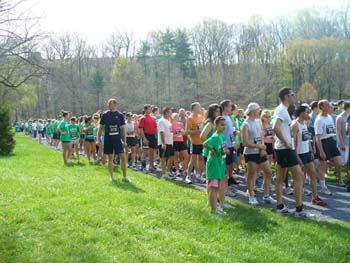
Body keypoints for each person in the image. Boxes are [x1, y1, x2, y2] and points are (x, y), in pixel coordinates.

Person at [273, 87, 312, 218]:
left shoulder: (283, 110)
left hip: (283, 148)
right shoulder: (281, 110)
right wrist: (285, 142)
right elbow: (275, 128)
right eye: (292, 94)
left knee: (280, 178)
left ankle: (279, 206)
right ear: (286, 96)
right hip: (285, 149)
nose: (294, 96)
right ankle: (299, 209)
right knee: (299, 176)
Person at [291, 105, 327, 206]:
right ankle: (298, 201)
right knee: (299, 178)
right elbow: (293, 141)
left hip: (306, 153)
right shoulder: (295, 124)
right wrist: (296, 156)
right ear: (302, 113)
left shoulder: (304, 124)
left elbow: (306, 139)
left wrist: (311, 151)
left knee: (313, 174)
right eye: (307, 112)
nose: (309, 114)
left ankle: (315, 197)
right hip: (298, 153)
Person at [242, 103, 276, 205]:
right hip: (250, 153)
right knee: (252, 174)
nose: (259, 112)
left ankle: (266, 195)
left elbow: (260, 136)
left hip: (260, 152)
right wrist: (259, 147)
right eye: (258, 110)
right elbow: (245, 142)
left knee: (268, 172)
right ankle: (251, 196)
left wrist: (262, 148)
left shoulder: (258, 122)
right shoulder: (245, 124)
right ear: (252, 111)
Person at [315, 100, 345, 190]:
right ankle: (323, 185)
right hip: (323, 142)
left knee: (339, 162)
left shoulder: (329, 117)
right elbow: (317, 137)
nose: (329, 106)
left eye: (329, 105)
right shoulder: (319, 120)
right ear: (322, 107)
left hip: (331, 141)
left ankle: (319, 170)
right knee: (323, 164)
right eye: (327, 105)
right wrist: (321, 151)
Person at [97, 98, 129, 182]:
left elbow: (123, 129)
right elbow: (100, 127)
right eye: (108, 103)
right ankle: (111, 177)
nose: (108, 105)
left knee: (123, 156)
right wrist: (98, 139)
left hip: (117, 138)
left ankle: (125, 177)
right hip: (108, 138)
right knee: (110, 158)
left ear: (115, 104)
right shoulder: (105, 114)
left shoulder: (120, 115)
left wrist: (125, 140)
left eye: (110, 103)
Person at [203, 116, 229, 215]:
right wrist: (212, 150)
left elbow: (224, 147)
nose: (224, 127)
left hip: (220, 164)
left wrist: (226, 150)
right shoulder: (215, 136)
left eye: (225, 125)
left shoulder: (222, 136)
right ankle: (214, 209)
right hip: (214, 164)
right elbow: (205, 143)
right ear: (216, 126)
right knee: (213, 187)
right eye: (221, 125)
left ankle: (215, 206)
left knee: (217, 187)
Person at [185, 102, 205, 184]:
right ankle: (188, 176)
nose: (200, 108)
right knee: (193, 159)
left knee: (200, 158)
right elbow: (187, 131)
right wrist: (197, 131)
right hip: (194, 142)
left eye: (200, 106)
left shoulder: (201, 117)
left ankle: (198, 175)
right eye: (198, 107)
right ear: (193, 109)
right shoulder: (190, 118)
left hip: (201, 141)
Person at [139, 104, 158, 173]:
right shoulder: (142, 118)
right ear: (145, 110)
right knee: (145, 152)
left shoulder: (153, 118)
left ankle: (151, 166)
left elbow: (155, 128)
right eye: (149, 109)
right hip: (146, 135)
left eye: (151, 109)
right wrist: (144, 138)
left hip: (153, 136)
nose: (150, 110)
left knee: (152, 152)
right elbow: (141, 129)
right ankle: (143, 167)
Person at [336, 101, 350, 187]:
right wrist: (341, 143)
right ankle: (340, 179)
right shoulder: (340, 117)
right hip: (343, 143)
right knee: (340, 162)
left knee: (348, 163)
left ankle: (348, 180)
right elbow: (338, 131)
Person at [158, 107, 174, 178]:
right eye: (170, 112)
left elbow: (171, 131)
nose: (171, 114)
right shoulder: (161, 121)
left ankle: (168, 171)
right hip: (164, 142)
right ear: (166, 113)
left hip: (170, 142)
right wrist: (163, 143)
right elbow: (161, 132)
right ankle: (164, 174)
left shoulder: (168, 121)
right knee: (163, 158)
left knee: (171, 156)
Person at [172, 112, 189, 177]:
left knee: (186, 155)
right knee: (176, 156)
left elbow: (183, 133)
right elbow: (172, 136)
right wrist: (179, 133)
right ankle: (177, 171)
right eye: (175, 117)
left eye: (177, 116)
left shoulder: (181, 124)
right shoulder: (171, 125)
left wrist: (182, 132)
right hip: (175, 142)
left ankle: (184, 170)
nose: (177, 118)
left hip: (181, 141)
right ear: (173, 118)